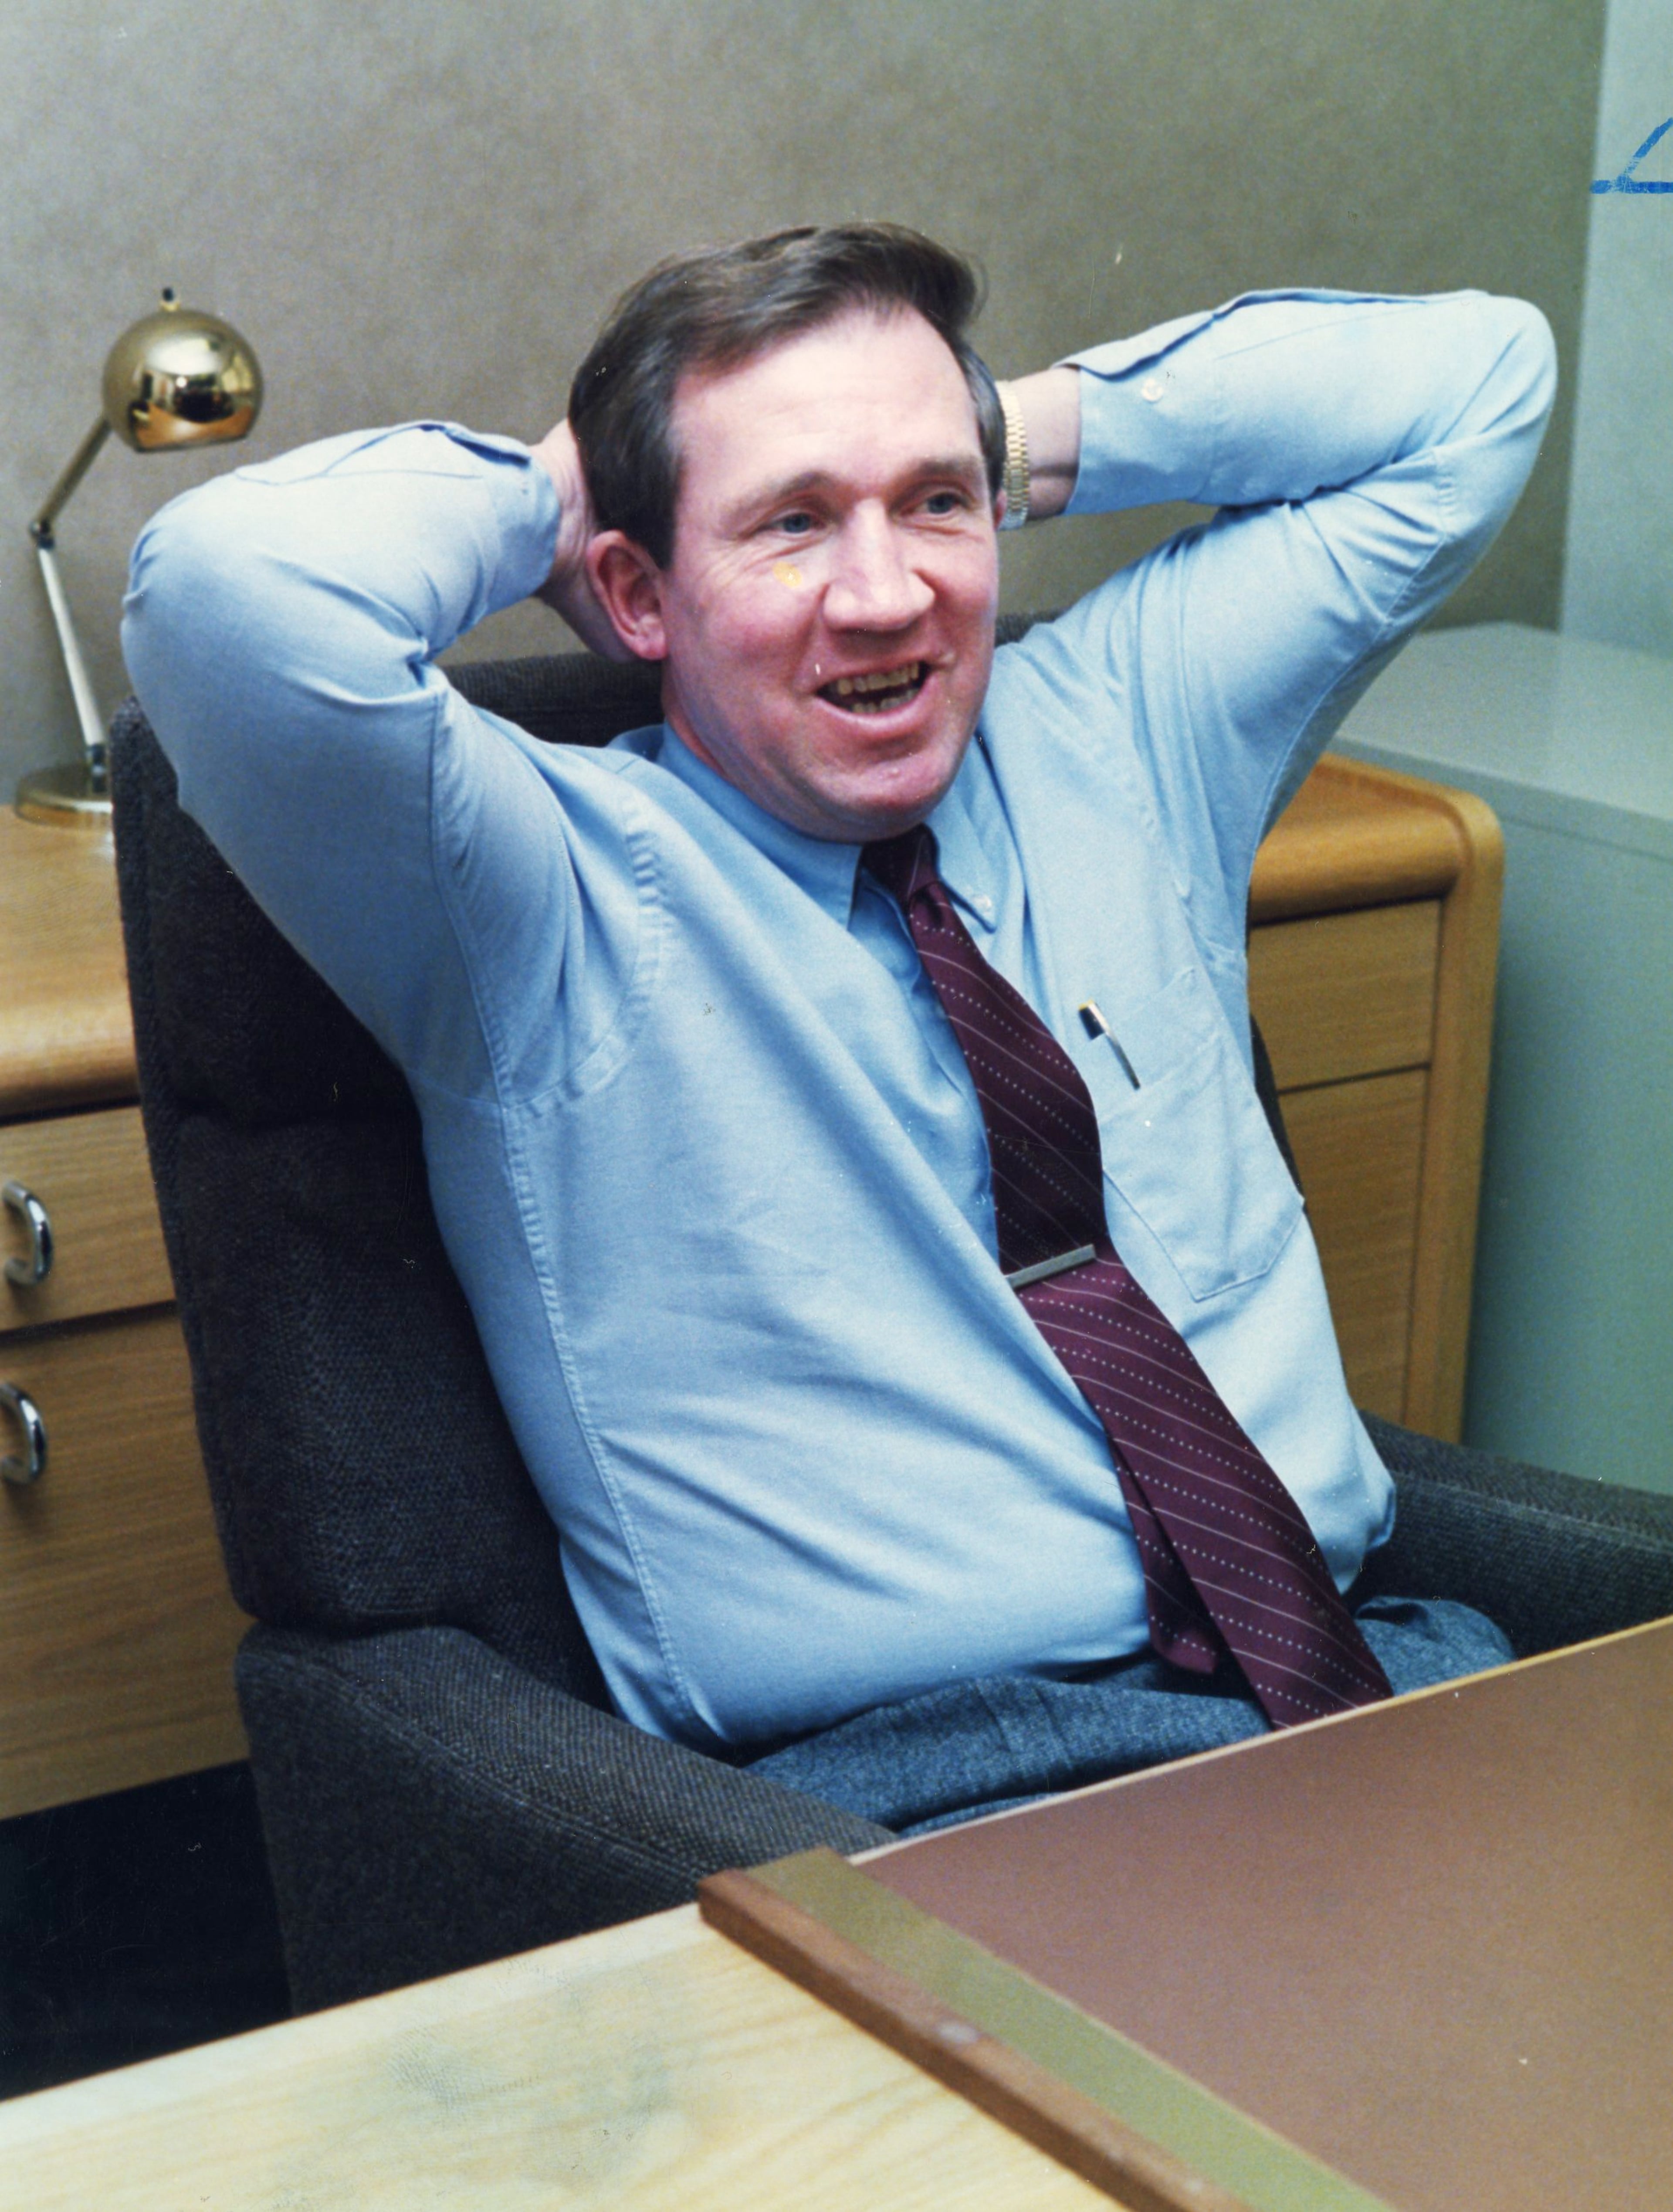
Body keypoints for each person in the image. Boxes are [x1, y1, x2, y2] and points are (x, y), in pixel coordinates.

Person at [124, 224, 1556, 1835]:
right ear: (637, 593)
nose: (888, 597)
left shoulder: (1126, 732)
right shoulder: (533, 895)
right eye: (793, 523)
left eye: (934, 503)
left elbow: (1481, 385)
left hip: (1380, 1683)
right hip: (933, 1802)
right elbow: (220, 595)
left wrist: (1004, 428)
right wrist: (561, 495)